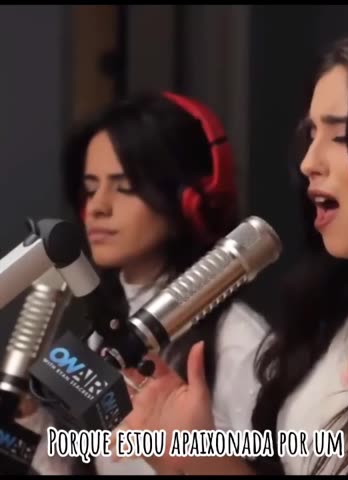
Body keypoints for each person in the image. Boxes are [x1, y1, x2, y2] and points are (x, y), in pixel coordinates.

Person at [112, 25, 348, 476]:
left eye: (340, 137)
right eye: (311, 134)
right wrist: (199, 456)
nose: (309, 163)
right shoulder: (346, 303)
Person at [15, 90, 263, 475]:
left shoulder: (240, 343)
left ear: (190, 200)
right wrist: (28, 416)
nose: (97, 207)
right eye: (90, 188)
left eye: (125, 187)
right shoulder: (103, 333)